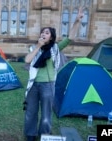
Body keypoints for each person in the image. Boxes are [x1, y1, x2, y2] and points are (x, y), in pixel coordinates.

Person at [23, 7, 84, 141]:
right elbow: (27, 60)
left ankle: (44, 135)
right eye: (42, 32)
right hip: (33, 85)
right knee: (31, 111)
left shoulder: (55, 48)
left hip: (48, 85)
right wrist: (38, 46)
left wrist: (76, 22)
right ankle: (30, 135)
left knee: (46, 113)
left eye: (47, 33)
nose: (43, 34)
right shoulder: (34, 48)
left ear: (51, 37)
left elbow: (70, 38)